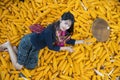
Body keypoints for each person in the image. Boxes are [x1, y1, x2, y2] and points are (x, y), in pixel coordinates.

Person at [0, 12, 85, 70]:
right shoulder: (49, 31)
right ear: (60, 19)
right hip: (28, 42)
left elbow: (68, 40)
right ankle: (8, 45)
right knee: (18, 67)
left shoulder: (61, 31)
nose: (66, 27)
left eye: (69, 26)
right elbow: (51, 47)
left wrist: (82, 42)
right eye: (65, 23)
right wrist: (66, 49)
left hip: (36, 47)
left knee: (31, 66)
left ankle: (15, 49)